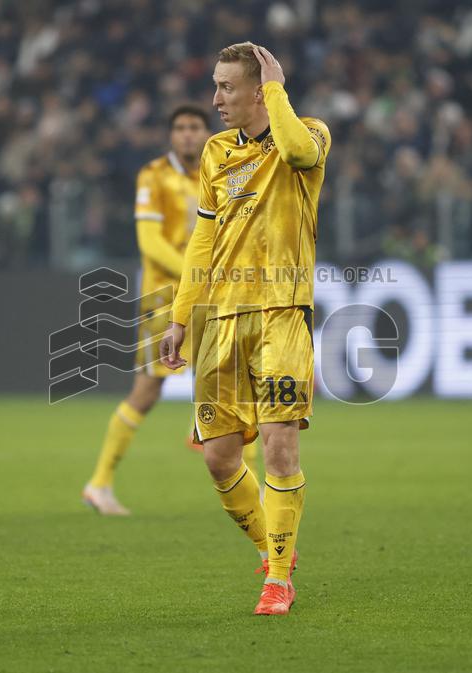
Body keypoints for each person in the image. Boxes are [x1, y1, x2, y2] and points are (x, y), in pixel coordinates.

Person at [160, 43, 331, 615]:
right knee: (219, 458)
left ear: (261, 91)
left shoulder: (308, 135)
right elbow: (202, 243)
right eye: (215, 86)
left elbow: (298, 150)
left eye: (227, 88)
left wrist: (277, 89)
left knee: (281, 448)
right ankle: (271, 549)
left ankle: (278, 579)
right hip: (218, 320)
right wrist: (182, 316)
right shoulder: (214, 153)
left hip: (281, 313)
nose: (216, 99)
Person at [82, 105, 212, 515]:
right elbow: (150, 242)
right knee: (146, 390)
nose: (188, 135)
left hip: (211, 298)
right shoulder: (153, 175)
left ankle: (253, 491)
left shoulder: (219, 170)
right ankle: (99, 483)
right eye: (180, 128)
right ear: (171, 136)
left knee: (230, 390)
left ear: (206, 132)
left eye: (195, 127)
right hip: (164, 299)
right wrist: (197, 273)